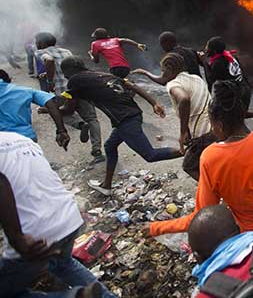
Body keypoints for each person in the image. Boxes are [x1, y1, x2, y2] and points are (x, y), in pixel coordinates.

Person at [148, 80, 253, 237]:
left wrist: (156, 227)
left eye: (212, 125)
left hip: (250, 240)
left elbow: (200, 216)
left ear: (219, 126)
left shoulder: (210, 156)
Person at [0, 131, 115, 298]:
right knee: (63, 264)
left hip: (33, 235)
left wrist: (16, 237)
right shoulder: (19, 139)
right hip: (68, 215)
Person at [59, 56, 181, 196]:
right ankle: (107, 186)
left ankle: (189, 150)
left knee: (150, 155)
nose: (64, 75)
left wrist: (48, 108)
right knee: (110, 146)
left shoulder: (75, 80)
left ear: (71, 70)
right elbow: (132, 85)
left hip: (125, 120)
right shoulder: (102, 75)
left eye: (64, 72)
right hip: (132, 115)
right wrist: (154, 103)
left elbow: (68, 109)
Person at [35, 32, 104, 165]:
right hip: (80, 86)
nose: (36, 44)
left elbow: (49, 61)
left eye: (37, 41)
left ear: (42, 43)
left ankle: (80, 124)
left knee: (61, 113)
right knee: (92, 118)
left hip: (62, 91)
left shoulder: (41, 52)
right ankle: (97, 151)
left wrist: (50, 81)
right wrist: (48, 74)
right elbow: (70, 66)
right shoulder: (66, 51)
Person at [159, 52, 215, 180]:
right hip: (217, 127)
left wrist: (182, 133)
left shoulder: (173, 84)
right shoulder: (197, 78)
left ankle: (215, 192)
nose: (163, 75)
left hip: (203, 134)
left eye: (164, 71)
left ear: (170, 69)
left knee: (189, 166)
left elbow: (184, 99)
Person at [202, 36, 253, 129]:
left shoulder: (218, 63)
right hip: (244, 89)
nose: (205, 49)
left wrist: (204, 62)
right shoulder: (228, 57)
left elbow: (210, 80)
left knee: (227, 117)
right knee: (234, 115)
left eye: (207, 47)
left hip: (236, 92)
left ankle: (241, 138)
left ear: (214, 51)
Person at [0, 69, 70, 149]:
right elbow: (50, 103)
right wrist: (61, 130)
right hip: (25, 139)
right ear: (8, 80)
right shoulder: (24, 91)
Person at [132, 31, 203, 85]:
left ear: (167, 43)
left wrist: (144, 72)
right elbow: (204, 64)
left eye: (162, 43)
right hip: (200, 86)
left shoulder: (171, 57)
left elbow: (163, 81)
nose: (161, 46)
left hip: (187, 89)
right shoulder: (191, 51)